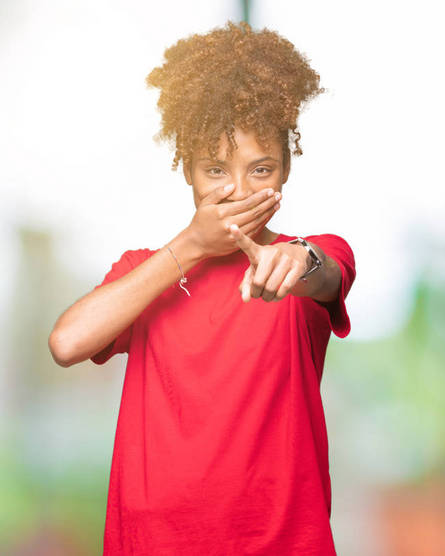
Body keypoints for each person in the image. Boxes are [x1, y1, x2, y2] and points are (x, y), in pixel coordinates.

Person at [48, 20, 355, 555]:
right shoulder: (146, 271)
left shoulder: (304, 255)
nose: (237, 190)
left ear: (285, 171)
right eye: (216, 169)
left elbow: (326, 270)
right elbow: (67, 343)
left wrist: (298, 260)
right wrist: (191, 246)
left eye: (260, 169)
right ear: (187, 170)